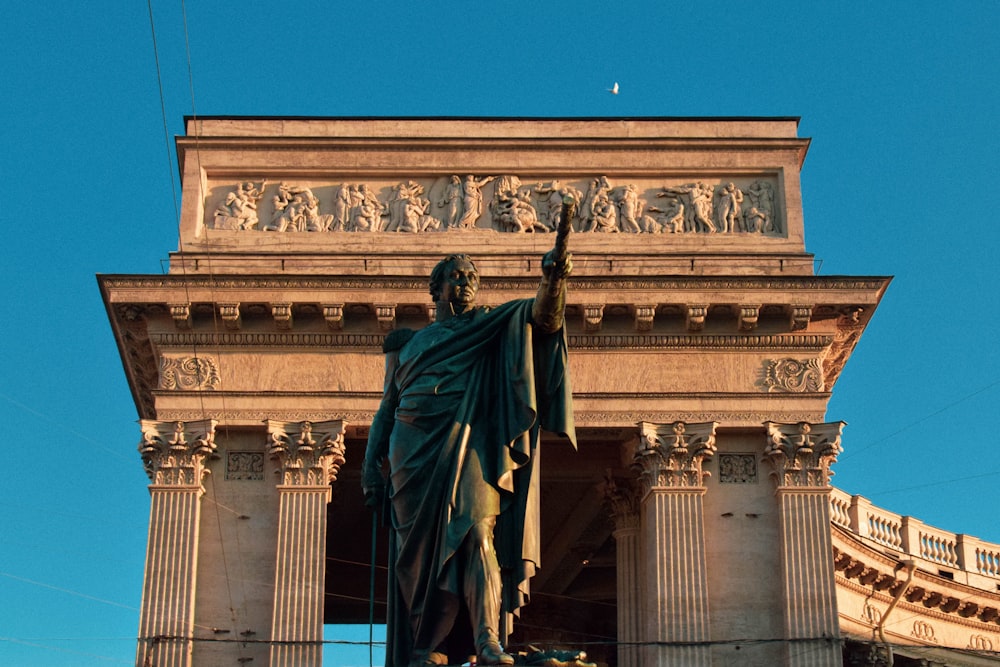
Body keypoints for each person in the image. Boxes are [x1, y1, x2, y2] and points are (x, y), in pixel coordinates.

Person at [362, 248, 575, 667]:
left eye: (471, 277)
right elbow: (386, 408)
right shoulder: (408, 344)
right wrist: (371, 465)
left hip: (469, 440)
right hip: (412, 452)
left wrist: (553, 281)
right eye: (456, 277)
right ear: (436, 287)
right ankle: (428, 647)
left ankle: (487, 639)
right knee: (418, 557)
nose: (466, 284)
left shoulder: (490, 325)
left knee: (478, 533)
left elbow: (543, 317)